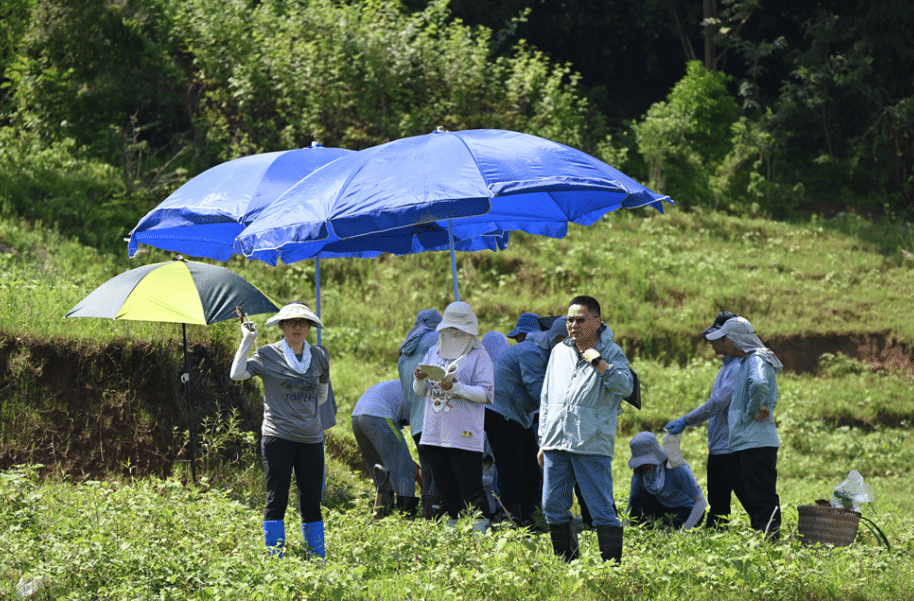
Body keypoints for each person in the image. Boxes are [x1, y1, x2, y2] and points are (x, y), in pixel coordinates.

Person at [230, 301, 329, 559]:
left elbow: (322, 394)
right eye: (291, 323)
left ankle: (317, 556)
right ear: (282, 326)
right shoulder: (267, 355)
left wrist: (303, 412)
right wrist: (247, 340)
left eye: (302, 323)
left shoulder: (319, 356)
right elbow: (237, 373)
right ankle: (275, 557)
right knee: (278, 497)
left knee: (311, 501)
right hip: (279, 437)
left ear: (309, 327)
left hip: (311, 439)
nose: (297, 328)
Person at [538, 295, 633, 563]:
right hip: (556, 440)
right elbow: (546, 398)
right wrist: (543, 441)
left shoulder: (611, 352)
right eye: (569, 319)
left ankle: (611, 568)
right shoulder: (559, 352)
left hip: (590, 440)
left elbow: (626, 387)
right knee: (552, 507)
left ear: (597, 321)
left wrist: (600, 363)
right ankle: (567, 565)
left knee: (601, 508)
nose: (573, 325)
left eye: (580, 320)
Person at [664, 311, 752, 528]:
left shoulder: (740, 368)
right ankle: (716, 533)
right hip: (718, 446)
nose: (711, 343)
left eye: (716, 338)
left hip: (733, 446)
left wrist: (686, 420)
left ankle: (767, 532)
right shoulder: (727, 368)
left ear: (728, 339)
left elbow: (716, 404)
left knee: (748, 497)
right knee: (718, 501)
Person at [413, 301, 495, 531]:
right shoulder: (433, 352)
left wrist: (457, 388)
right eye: (450, 328)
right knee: (445, 489)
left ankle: (479, 534)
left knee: (471, 487)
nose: (453, 333)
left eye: (458, 329)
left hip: (464, 434)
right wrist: (419, 379)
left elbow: (486, 393)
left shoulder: (479, 356)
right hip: (435, 433)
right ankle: (452, 537)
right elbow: (421, 392)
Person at [705, 316, 783, 539]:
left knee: (761, 496)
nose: (723, 345)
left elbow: (759, 383)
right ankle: (766, 538)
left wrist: (752, 408)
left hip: (756, 442)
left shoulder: (755, 359)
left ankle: (770, 541)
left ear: (735, 340)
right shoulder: (748, 360)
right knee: (756, 493)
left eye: (725, 340)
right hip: (748, 441)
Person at [491, 317, 567, 527]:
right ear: (560, 338)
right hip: (501, 414)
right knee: (511, 470)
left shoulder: (545, 351)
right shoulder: (531, 352)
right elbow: (539, 393)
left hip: (518, 415)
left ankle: (530, 517)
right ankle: (512, 521)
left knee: (532, 471)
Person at [397, 309, 442, 519]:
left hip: (416, 422)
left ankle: (427, 518)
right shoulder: (435, 340)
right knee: (440, 472)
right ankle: (437, 517)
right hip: (434, 418)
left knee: (428, 472)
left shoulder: (405, 350)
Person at [351, 380, 418, 517]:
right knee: (403, 468)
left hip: (357, 417)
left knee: (380, 468)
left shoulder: (405, 385)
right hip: (380, 416)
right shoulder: (423, 396)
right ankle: (406, 516)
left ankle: (383, 512)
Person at [626, 432, 708, 530]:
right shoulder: (640, 471)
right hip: (662, 507)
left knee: (670, 524)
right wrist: (625, 527)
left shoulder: (677, 466)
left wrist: (685, 531)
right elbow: (633, 501)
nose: (642, 465)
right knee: (639, 501)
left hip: (684, 508)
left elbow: (701, 502)